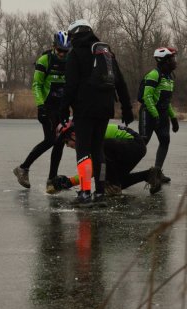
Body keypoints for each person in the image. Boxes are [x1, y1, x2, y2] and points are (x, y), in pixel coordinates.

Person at [58, 19, 134, 206]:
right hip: (105, 108)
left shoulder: (76, 53)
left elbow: (71, 85)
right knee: (98, 150)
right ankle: (99, 192)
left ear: (75, 34)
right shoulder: (106, 53)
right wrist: (126, 108)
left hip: (85, 108)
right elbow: (120, 82)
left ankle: (84, 193)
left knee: (83, 150)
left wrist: (63, 109)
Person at [13, 31, 71, 192]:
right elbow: (37, 85)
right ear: (53, 47)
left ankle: (51, 179)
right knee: (51, 139)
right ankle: (23, 168)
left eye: (66, 52)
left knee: (60, 142)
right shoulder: (45, 60)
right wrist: (40, 106)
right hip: (47, 106)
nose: (62, 54)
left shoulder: (70, 62)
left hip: (62, 108)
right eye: (60, 50)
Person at [50, 122, 163, 196]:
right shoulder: (86, 137)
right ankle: (150, 174)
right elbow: (93, 169)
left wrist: (103, 182)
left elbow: (95, 167)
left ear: (73, 134)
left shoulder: (90, 136)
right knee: (120, 182)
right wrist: (70, 182)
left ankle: (112, 185)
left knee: (101, 150)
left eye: (66, 142)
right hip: (131, 147)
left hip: (134, 144)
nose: (67, 146)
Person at [138, 47, 179, 183]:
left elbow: (166, 101)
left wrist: (173, 117)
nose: (175, 62)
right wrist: (155, 115)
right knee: (141, 145)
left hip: (161, 114)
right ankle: (120, 173)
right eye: (172, 59)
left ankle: (156, 173)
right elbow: (147, 97)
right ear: (165, 61)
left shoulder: (169, 78)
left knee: (165, 141)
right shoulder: (154, 75)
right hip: (148, 113)